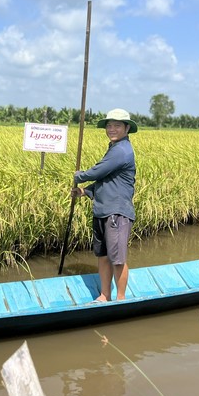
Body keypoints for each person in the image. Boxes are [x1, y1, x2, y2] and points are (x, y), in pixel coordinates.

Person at [72, 108, 137, 302]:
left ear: (126, 128)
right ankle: (104, 295)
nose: (112, 129)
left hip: (116, 212)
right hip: (102, 210)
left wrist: (80, 176)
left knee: (117, 258)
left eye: (117, 125)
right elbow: (107, 180)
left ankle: (121, 298)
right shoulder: (113, 148)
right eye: (109, 125)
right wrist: (85, 191)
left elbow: (99, 171)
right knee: (102, 255)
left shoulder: (122, 150)